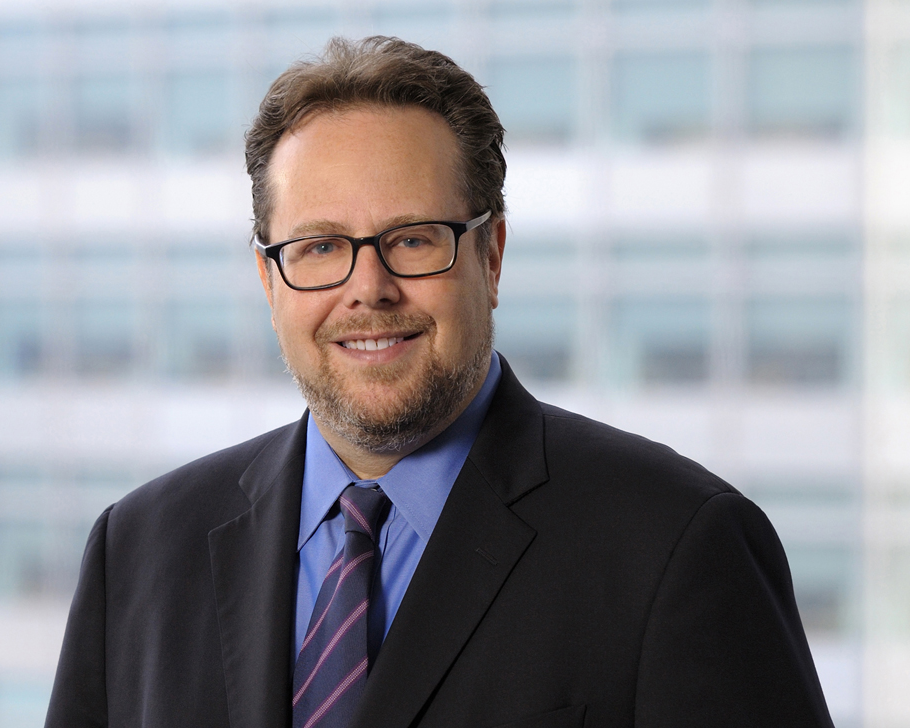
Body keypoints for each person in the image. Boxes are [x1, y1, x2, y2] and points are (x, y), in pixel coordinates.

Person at [45, 37, 834, 728]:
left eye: (413, 240)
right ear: (268, 278)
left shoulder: (677, 545)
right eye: (320, 247)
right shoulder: (138, 551)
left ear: (491, 256)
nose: (368, 289)